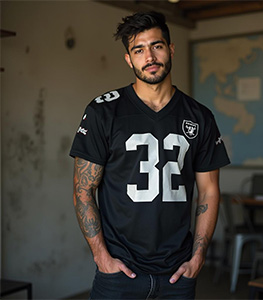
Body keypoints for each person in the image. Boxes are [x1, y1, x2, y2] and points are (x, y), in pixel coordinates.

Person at [70, 11, 230, 299]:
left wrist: (198, 257)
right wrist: (101, 257)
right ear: (129, 59)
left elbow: (209, 191)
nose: (150, 56)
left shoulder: (200, 117)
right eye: (139, 50)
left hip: (177, 275)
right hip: (119, 274)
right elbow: (83, 190)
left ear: (170, 49)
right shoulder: (102, 112)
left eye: (156, 46)